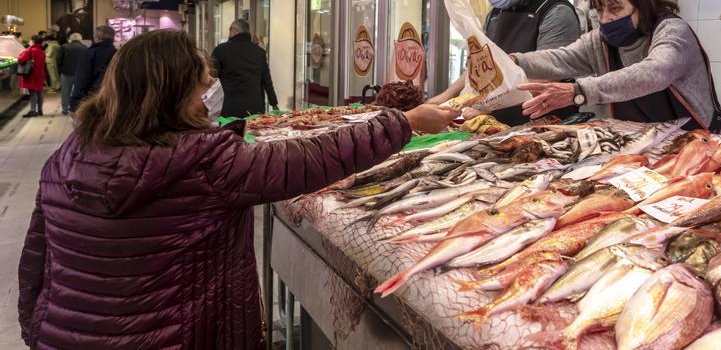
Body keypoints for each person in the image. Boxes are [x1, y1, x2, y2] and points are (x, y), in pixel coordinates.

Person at [17, 29, 459, 349]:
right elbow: (310, 160)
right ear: (170, 95)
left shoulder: (69, 154)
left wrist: (34, 327)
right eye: (198, 92)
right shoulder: (202, 162)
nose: (205, 101)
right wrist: (405, 122)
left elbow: (35, 259)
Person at [512, 0, 721, 133]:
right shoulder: (600, 41)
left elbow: (656, 72)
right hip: (646, 142)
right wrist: (512, 62)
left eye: (615, 9)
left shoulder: (671, 31)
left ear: (642, 5)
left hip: (699, 138)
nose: (605, 19)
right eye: (599, 10)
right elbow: (560, 59)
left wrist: (578, 92)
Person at [428, 0, 581, 125]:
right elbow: (483, 66)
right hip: (499, 124)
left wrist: (482, 106)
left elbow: (544, 78)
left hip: (544, 124)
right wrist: (443, 99)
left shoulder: (555, 11)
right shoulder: (495, 13)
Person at [211, 19, 279, 117]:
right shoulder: (259, 52)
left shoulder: (220, 50)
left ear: (234, 31)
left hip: (228, 108)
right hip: (255, 108)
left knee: (230, 132)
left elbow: (212, 79)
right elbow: (266, 81)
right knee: (252, 132)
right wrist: (274, 104)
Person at [70, 25, 116, 113]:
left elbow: (82, 79)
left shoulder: (89, 53)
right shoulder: (118, 54)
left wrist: (74, 104)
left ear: (99, 37)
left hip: (93, 98)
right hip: (113, 98)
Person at [57, 32, 87, 115]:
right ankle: (78, 108)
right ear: (80, 39)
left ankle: (65, 109)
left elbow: (58, 60)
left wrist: (59, 71)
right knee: (79, 92)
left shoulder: (64, 47)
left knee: (65, 92)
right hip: (80, 74)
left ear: (71, 39)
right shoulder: (85, 48)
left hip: (66, 73)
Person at [18, 35, 46, 118]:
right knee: (39, 92)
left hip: (32, 74)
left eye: (30, 41)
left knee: (33, 92)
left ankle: (33, 110)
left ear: (33, 41)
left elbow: (20, 59)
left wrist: (23, 52)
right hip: (40, 74)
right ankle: (40, 110)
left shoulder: (30, 50)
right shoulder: (41, 51)